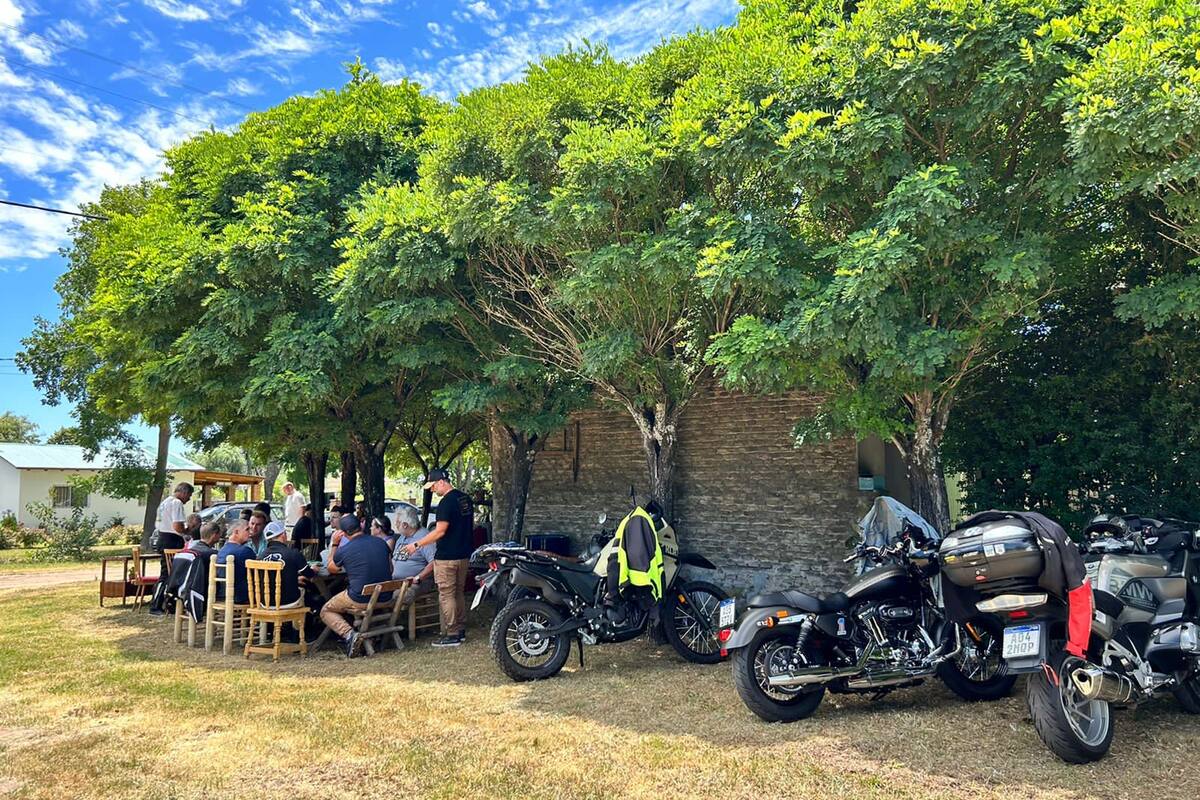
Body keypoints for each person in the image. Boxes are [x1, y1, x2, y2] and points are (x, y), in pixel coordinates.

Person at [400, 468, 473, 647]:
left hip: (446, 556)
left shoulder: (446, 503)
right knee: (458, 592)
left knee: (446, 594)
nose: (432, 490)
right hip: (463, 555)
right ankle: (460, 629)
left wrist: (416, 545)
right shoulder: (465, 499)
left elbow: (440, 531)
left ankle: (452, 633)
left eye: (433, 486)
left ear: (441, 482)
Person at [320, 514, 393, 657]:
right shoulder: (381, 543)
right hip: (386, 596)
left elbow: (331, 568)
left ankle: (349, 635)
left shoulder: (345, 549)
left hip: (360, 599)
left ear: (343, 533)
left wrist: (334, 544)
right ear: (361, 526)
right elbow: (390, 569)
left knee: (326, 610)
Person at [149, 482, 194, 615]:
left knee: (169, 573)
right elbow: (177, 526)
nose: (189, 499)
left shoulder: (165, 502)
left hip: (163, 537)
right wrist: (187, 530)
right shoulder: (177, 503)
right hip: (171, 540)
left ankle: (169, 603)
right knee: (168, 574)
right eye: (189, 495)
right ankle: (156, 605)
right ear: (184, 492)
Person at [260, 521, 313, 608]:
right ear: (283, 535)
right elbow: (309, 574)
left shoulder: (260, 557)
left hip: (265, 603)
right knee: (306, 590)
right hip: (288, 602)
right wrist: (314, 569)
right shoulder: (293, 553)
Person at [392, 505, 435, 602]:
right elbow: (394, 558)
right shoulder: (402, 537)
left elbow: (434, 562)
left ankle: (394, 611)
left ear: (405, 525)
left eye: (397, 523)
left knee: (398, 595)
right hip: (396, 581)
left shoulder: (424, 537)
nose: (396, 525)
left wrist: (418, 578)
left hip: (416, 583)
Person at [216, 522, 256, 605]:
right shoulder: (245, 551)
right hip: (240, 597)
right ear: (236, 532)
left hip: (221, 595)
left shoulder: (221, 551)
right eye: (247, 529)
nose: (250, 532)